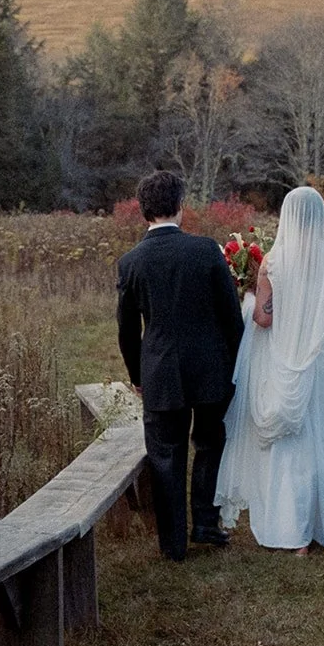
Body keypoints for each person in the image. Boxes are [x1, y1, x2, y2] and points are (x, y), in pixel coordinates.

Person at [215, 186, 324, 554]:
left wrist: (249, 297)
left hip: (286, 355)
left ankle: (293, 533)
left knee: (292, 444)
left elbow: (264, 321)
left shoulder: (273, 261)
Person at [116, 170, 246, 562]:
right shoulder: (206, 250)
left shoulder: (131, 262)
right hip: (210, 370)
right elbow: (232, 319)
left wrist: (137, 376)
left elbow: (126, 329)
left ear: (143, 212)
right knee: (209, 444)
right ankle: (205, 524)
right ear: (181, 207)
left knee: (165, 456)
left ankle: (173, 545)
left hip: (160, 373)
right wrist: (235, 366)